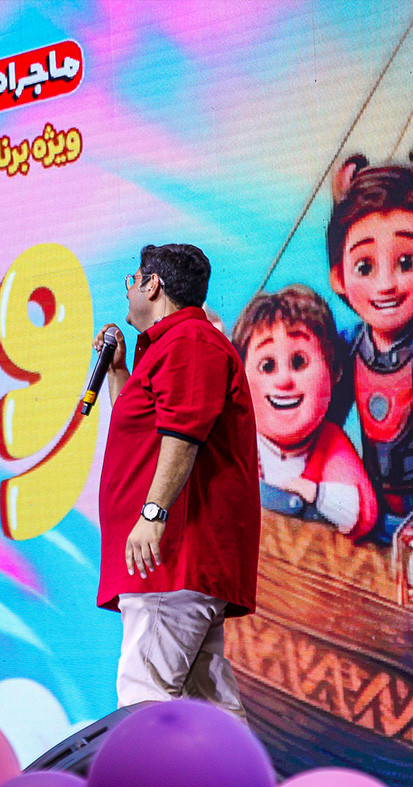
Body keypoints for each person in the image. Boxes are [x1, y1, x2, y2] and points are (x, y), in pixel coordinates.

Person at [94, 243, 260, 718]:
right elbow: (147, 431)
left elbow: (184, 434)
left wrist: (152, 514)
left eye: (133, 279)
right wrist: (120, 371)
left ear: (153, 285)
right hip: (174, 562)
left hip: (172, 558)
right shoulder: (171, 346)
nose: (128, 290)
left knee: (144, 696)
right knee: (208, 709)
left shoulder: (190, 341)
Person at [326, 147, 413, 542]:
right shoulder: (349, 346)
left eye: (406, 263)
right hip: (370, 504)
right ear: (339, 277)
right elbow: (328, 416)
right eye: (365, 266)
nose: (385, 285)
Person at [232, 285, 377, 538]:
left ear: (334, 372)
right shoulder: (237, 437)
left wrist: (316, 493)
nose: (284, 380)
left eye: (299, 362)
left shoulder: (329, 444)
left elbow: (361, 511)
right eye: (267, 366)